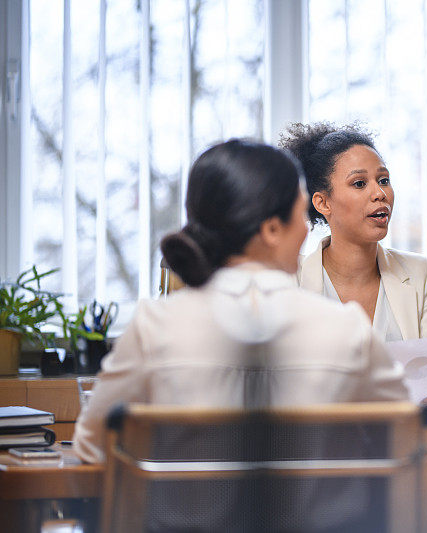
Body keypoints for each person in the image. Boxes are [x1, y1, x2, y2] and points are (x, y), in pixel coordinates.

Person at [74, 139, 408, 465]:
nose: (307, 230)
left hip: (188, 522)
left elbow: (92, 448)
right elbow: (407, 439)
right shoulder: (346, 329)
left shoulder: (153, 326)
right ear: (273, 230)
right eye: (299, 215)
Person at [279, 123, 427, 427]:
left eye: (383, 180)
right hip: (320, 454)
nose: (380, 193)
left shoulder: (420, 274)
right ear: (322, 203)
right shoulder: (287, 281)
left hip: (402, 451)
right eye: (360, 184)